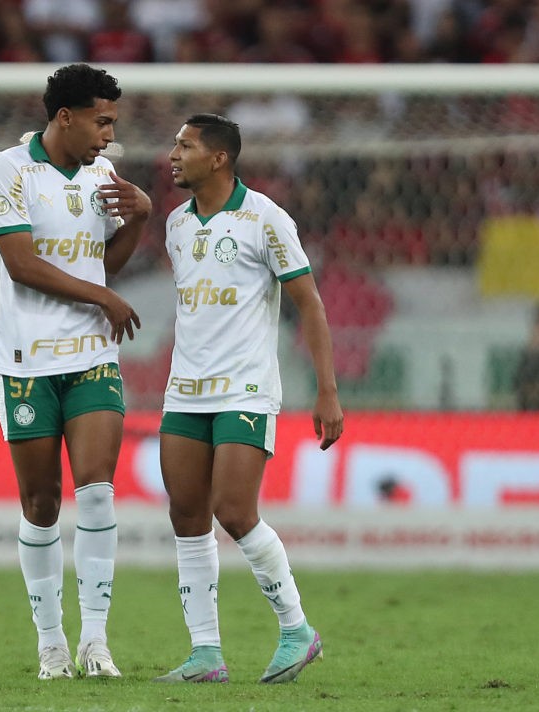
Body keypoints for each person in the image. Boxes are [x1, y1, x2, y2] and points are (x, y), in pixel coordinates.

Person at [153, 114, 344, 684]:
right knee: (187, 516)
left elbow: (309, 303)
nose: (173, 154)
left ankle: (296, 630)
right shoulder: (176, 224)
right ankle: (206, 654)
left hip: (245, 388)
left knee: (234, 512)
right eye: (175, 143)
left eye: (185, 145)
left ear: (219, 158)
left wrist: (327, 391)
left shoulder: (266, 219)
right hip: (184, 390)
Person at [0, 63, 150, 680]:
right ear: (65, 117)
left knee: (98, 492)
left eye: (113, 122)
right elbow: (20, 263)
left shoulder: (103, 176)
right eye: (101, 121)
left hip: (91, 357)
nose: (109, 135)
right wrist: (100, 296)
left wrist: (142, 217)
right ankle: (51, 641)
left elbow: (105, 265)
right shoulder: (8, 170)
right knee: (42, 501)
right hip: (25, 359)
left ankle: (95, 641)